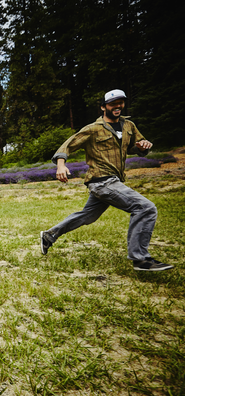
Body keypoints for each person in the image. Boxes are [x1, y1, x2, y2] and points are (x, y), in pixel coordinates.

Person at [39, 89, 174, 272]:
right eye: (113, 103)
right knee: (145, 207)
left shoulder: (129, 126)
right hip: (101, 181)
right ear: (104, 107)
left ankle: (49, 235)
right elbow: (68, 145)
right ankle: (140, 259)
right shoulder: (93, 129)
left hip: (114, 180)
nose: (117, 106)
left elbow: (135, 147)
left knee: (88, 216)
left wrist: (143, 147)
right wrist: (60, 166)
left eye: (121, 103)